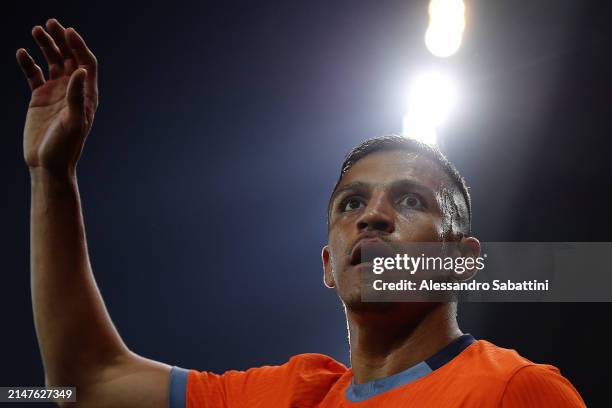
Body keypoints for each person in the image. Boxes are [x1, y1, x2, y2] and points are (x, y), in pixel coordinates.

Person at [18, 19, 585, 407]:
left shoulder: (516, 390)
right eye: (351, 203)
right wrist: (52, 177)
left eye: (411, 199)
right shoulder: (293, 393)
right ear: (327, 266)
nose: (373, 217)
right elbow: (85, 383)